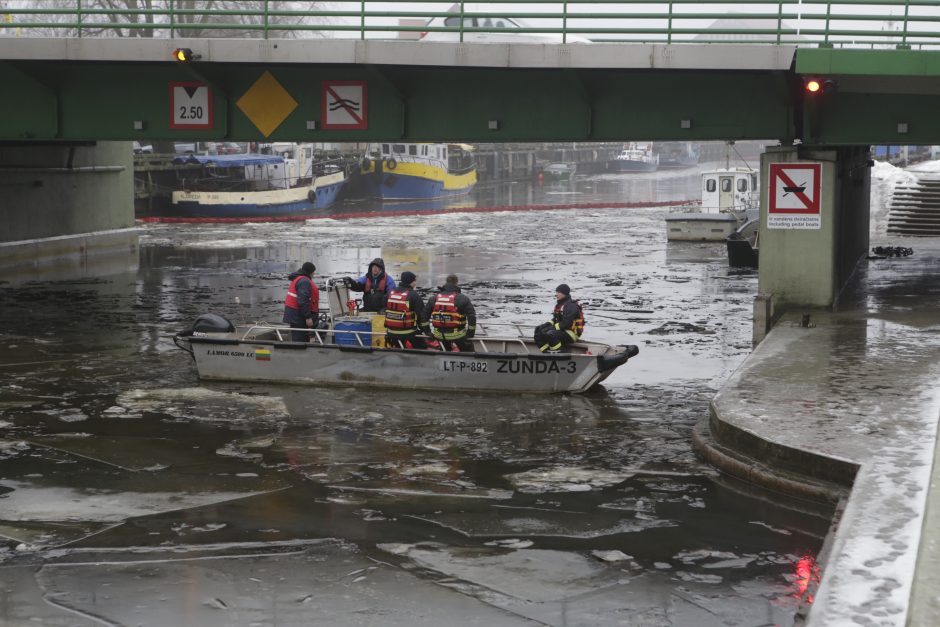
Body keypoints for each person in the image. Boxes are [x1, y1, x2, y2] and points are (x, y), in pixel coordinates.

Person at [424, 274, 476, 352]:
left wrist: (428, 332)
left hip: (439, 336)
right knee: (470, 352)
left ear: (446, 282)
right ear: (456, 283)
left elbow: (424, 315)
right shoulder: (463, 298)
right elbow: (472, 317)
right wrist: (469, 335)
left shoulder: (433, 298)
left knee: (444, 351)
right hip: (458, 335)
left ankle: (443, 359)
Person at [533, 283, 585, 353]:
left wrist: (550, 328)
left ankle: (560, 353)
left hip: (571, 333)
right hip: (562, 330)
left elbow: (566, 324)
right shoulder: (560, 305)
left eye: (558, 292)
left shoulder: (571, 306)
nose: (556, 294)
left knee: (550, 333)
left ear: (565, 293)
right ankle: (546, 353)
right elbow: (555, 319)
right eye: (556, 292)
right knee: (538, 331)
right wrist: (545, 325)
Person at [384, 271, 429, 349]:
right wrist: (426, 331)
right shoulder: (413, 295)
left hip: (390, 332)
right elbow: (421, 316)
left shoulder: (390, 292)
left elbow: (384, 307)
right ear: (411, 282)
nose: (415, 283)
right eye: (414, 281)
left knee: (398, 345)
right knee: (422, 346)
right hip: (408, 332)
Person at [283, 262, 319, 342]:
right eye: (314, 272)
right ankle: (298, 353)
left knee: (300, 337)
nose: (314, 274)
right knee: (299, 339)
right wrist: (308, 317)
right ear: (311, 272)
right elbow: (303, 301)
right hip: (297, 316)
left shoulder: (299, 278)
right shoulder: (304, 281)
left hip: (294, 313)